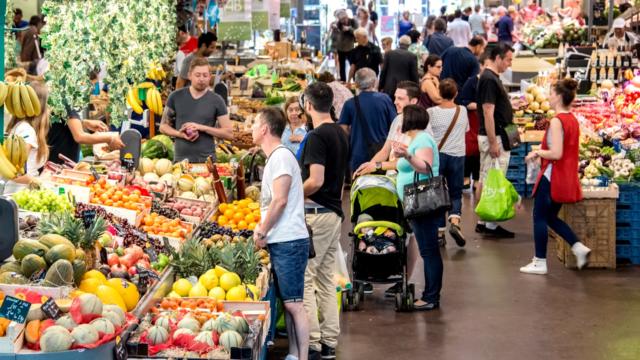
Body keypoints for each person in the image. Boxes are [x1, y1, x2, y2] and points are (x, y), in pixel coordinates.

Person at [251, 107, 310, 360]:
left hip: (289, 241)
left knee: (295, 304)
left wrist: (262, 230)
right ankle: (294, 354)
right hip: (282, 240)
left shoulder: (281, 157)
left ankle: (303, 355)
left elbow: (280, 200)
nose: (251, 127)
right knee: (289, 302)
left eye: (254, 123)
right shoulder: (275, 157)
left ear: (264, 129)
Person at [299, 82, 349, 360]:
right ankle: (330, 340)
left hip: (316, 216)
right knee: (327, 280)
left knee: (306, 280)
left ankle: (314, 343)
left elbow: (315, 180)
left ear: (307, 105)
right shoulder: (340, 133)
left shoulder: (318, 136)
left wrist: (293, 192)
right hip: (333, 214)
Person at [520, 79, 591, 275]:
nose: (549, 97)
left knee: (539, 217)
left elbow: (556, 153)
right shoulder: (572, 120)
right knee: (550, 216)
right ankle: (578, 247)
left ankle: (539, 261)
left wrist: (537, 153)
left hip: (552, 176)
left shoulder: (558, 121)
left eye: (551, 94)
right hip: (566, 176)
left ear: (559, 97)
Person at [392, 104, 442, 311]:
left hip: (423, 203)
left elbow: (425, 166)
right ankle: (430, 295)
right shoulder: (414, 139)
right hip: (415, 203)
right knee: (427, 248)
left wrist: (407, 156)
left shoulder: (422, 139)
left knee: (429, 250)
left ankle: (431, 297)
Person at [476, 43, 516, 238]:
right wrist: (493, 142)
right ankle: (488, 223)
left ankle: (485, 221)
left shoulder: (491, 78)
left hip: (497, 135)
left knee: (488, 176)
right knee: (492, 178)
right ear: (498, 57)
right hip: (496, 137)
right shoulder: (489, 79)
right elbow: (488, 112)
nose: (509, 64)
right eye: (508, 59)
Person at [160, 57, 233, 162]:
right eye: (197, 75)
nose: (201, 79)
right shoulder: (175, 97)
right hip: (181, 161)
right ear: (189, 75)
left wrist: (201, 127)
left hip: (208, 162)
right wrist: (180, 134)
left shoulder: (217, 100)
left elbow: (229, 134)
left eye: (205, 75)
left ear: (210, 77)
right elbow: (163, 126)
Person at [427, 79, 469, 247]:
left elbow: (428, 133)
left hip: (438, 157)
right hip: (458, 156)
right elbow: (466, 130)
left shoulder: (431, 112)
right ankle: (455, 222)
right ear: (456, 94)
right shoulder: (462, 111)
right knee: (455, 193)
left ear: (439, 93)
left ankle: (439, 233)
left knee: (438, 195)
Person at [339, 68, 396, 173]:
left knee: (359, 186)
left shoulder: (350, 103)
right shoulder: (385, 99)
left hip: (358, 154)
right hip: (382, 153)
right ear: (374, 82)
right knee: (382, 186)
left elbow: (343, 128)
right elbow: (394, 123)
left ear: (356, 84)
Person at [2, 82, 49, 192]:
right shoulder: (26, 131)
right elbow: (15, 173)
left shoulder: (20, 126)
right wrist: (40, 181)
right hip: (20, 194)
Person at [457, 53, 490, 192]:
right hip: (472, 121)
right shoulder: (472, 82)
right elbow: (463, 102)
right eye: (486, 65)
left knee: (481, 151)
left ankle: (477, 179)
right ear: (481, 65)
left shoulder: (491, 81)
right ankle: (466, 177)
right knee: (471, 149)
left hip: (485, 121)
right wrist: (481, 106)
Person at [378, 35, 419, 100]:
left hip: (389, 87)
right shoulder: (412, 56)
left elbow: (383, 72)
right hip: (404, 89)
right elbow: (414, 75)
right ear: (409, 44)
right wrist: (417, 89)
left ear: (399, 43)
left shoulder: (389, 54)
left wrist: (380, 87)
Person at [333, 10, 359, 82]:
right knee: (342, 66)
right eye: (341, 20)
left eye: (344, 19)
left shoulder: (353, 22)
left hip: (350, 47)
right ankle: (343, 81)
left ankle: (355, 80)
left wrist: (349, 29)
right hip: (341, 47)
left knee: (353, 65)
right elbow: (336, 35)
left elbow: (357, 32)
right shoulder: (338, 24)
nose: (343, 21)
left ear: (347, 17)